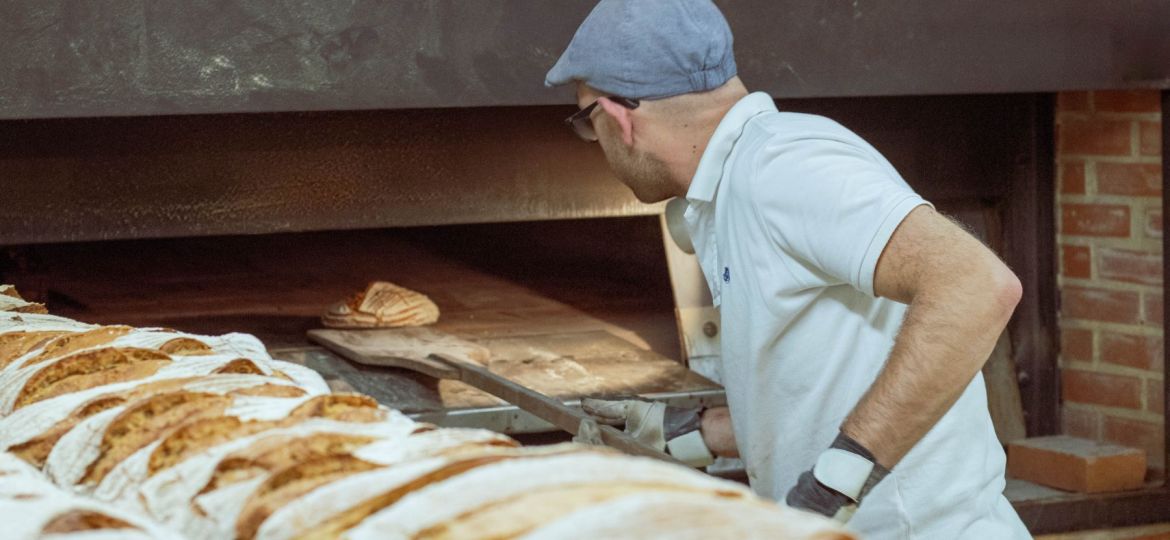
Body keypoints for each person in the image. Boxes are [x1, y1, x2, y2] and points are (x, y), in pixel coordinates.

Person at [544, 1, 1032, 538]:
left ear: (619, 119)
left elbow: (977, 285)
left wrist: (832, 487)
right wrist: (693, 433)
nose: (597, 143)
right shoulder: (735, 183)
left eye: (586, 121)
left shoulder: (782, 168)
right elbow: (825, 382)